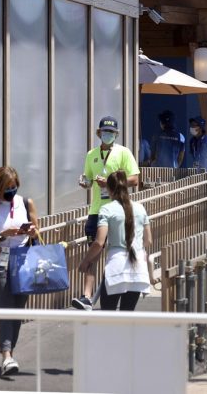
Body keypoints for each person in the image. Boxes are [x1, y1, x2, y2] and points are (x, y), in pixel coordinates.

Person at [73, 117, 140, 311]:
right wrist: (86, 182)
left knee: (119, 250)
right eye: (104, 131)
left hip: (119, 209)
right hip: (96, 209)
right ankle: (86, 296)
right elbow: (87, 177)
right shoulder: (91, 154)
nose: (107, 135)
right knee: (94, 249)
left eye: (111, 132)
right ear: (98, 133)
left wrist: (111, 183)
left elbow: (135, 179)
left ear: (116, 134)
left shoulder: (123, 152)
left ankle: (120, 287)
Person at [0, 167, 39, 376]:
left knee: (18, 308)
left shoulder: (26, 203)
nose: (10, 190)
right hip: (2, 260)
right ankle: (6, 356)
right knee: (5, 307)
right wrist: (2, 235)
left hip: (24, 259)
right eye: (6, 187)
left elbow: (37, 232)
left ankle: (10, 351)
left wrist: (33, 231)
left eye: (13, 186)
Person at [78, 171, 151, 311]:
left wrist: (86, 261)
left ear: (109, 188)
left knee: (108, 315)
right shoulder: (140, 208)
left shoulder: (107, 209)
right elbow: (148, 240)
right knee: (127, 315)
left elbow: (99, 242)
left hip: (116, 266)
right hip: (138, 267)